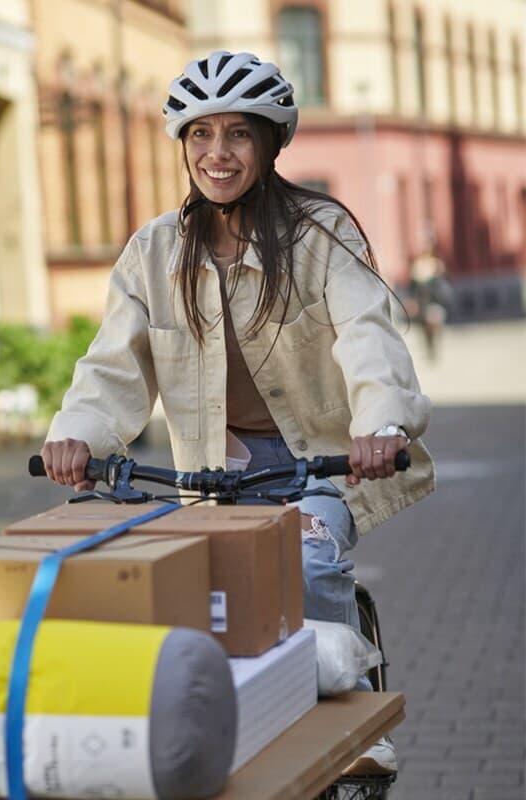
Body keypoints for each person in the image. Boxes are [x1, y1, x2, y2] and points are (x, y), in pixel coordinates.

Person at [40, 50, 435, 776]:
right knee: (190, 604)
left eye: (238, 135)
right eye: (200, 134)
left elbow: (367, 336)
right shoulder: (153, 252)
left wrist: (379, 425)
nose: (217, 154)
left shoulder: (319, 234)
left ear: (270, 143)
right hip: (214, 472)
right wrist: (75, 436)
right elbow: (110, 365)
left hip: (321, 462)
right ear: (183, 144)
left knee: (312, 561)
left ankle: (352, 731)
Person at [408, 245, 454, 361]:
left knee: (434, 323)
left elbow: (443, 290)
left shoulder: (437, 269)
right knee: (425, 329)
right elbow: (413, 291)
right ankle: (429, 348)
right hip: (422, 307)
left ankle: (433, 349)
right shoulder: (417, 270)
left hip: (435, 304)